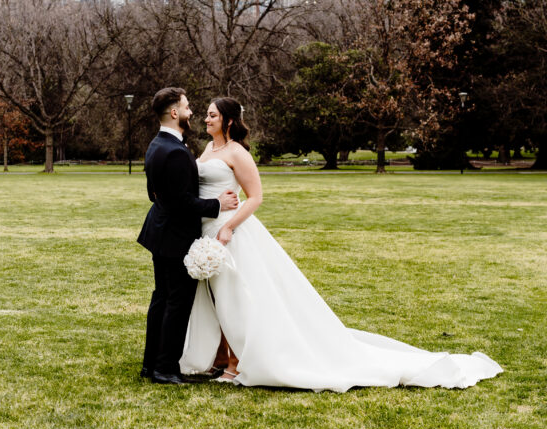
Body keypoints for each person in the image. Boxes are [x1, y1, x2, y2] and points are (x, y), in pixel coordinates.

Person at [179, 97, 503, 392]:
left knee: (238, 297)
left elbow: (257, 197)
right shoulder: (208, 151)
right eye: (206, 115)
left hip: (231, 233)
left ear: (229, 121)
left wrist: (229, 228)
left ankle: (237, 363)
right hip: (207, 227)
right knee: (215, 297)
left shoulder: (237, 152)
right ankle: (221, 357)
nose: (206, 120)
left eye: (212, 116)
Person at [137, 88, 238, 385]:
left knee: (161, 299)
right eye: (187, 107)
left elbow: (153, 193)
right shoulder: (175, 151)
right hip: (175, 236)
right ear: (174, 113)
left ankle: (151, 364)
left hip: (160, 232)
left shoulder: (156, 145)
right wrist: (218, 204)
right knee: (176, 303)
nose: (191, 112)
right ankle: (165, 369)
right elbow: (182, 202)